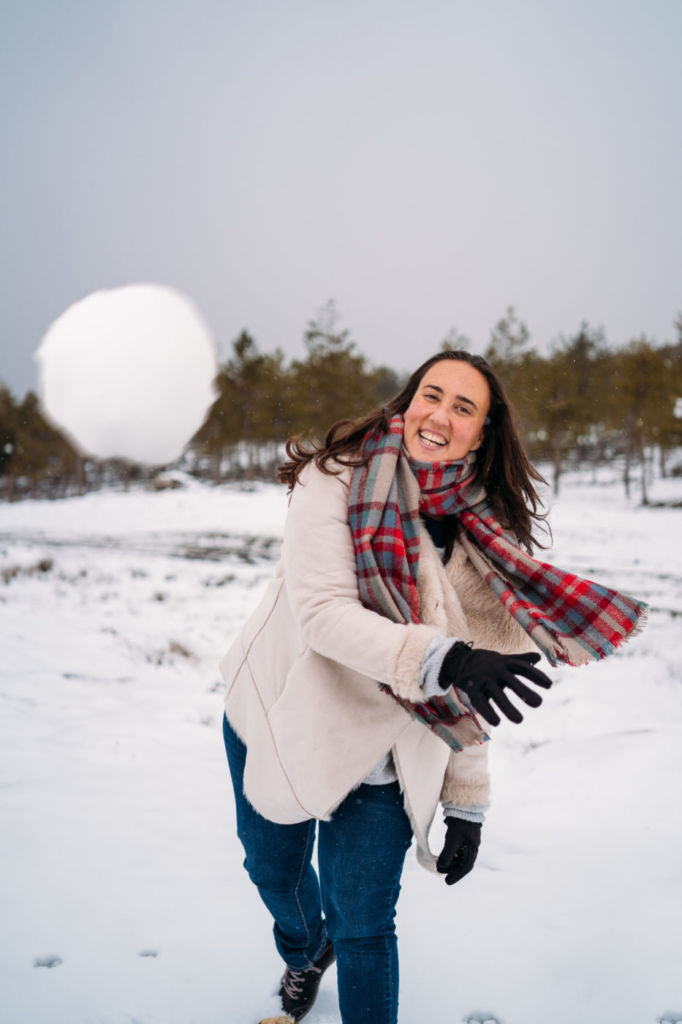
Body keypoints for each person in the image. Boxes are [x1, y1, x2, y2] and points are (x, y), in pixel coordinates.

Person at [219, 350, 646, 1024]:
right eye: (431, 394)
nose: (440, 415)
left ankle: (335, 949)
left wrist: (468, 800)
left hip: (391, 754)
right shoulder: (333, 479)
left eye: (463, 407)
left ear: (484, 433)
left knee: (365, 925)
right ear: (406, 399)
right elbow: (326, 616)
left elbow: (478, 682)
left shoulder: (486, 539)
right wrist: (446, 659)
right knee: (274, 872)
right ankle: (304, 952)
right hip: (283, 715)